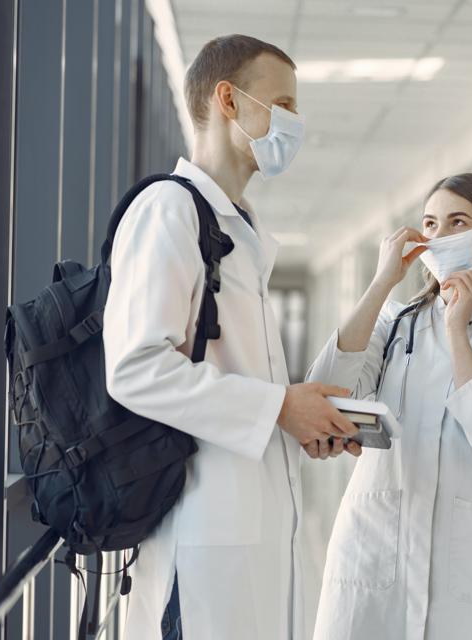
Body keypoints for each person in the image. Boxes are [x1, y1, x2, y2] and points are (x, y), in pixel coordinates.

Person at [103, 35, 359, 640]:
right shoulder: (169, 209)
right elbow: (135, 368)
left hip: (244, 541)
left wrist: (296, 420)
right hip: (198, 551)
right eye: (283, 104)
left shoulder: (236, 227)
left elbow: (233, 379)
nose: (294, 123)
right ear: (228, 100)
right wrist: (277, 408)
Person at [307, 173, 472, 640]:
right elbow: (324, 392)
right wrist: (382, 283)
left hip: (471, 581)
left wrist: (456, 330)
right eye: (430, 224)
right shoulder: (394, 322)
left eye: (457, 222)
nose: (440, 236)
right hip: (373, 562)